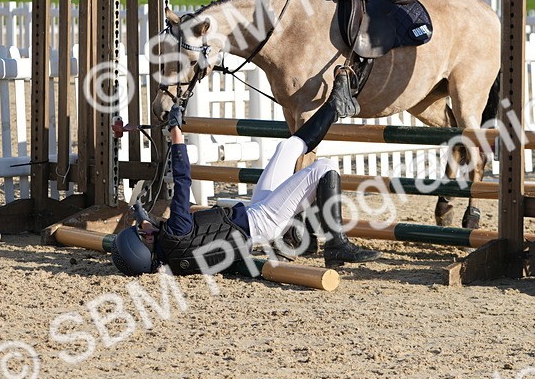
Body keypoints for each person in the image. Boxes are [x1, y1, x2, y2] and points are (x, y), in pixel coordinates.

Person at [111, 71, 380, 277]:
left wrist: (143, 218)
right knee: (324, 167)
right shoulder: (176, 232)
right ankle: (337, 244)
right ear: (146, 241)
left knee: (287, 147)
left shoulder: (171, 256)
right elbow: (182, 180)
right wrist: (176, 133)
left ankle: (335, 105)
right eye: (140, 231)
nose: (143, 226)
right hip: (263, 221)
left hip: (255, 217)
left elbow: (170, 234)